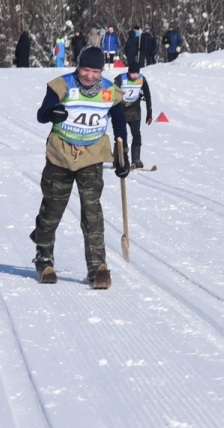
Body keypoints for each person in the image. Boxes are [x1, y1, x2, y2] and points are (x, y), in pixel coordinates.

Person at [31, 45, 131, 289]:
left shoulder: (110, 92)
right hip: (61, 155)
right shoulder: (62, 85)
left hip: (92, 154)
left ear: (101, 72)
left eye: (95, 72)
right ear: (78, 68)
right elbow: (42, 114)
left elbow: (119, 122)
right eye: (85, 70)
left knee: (92, 210)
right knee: (53, 209)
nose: (89, 76)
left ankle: (98, 268)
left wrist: (122, 155)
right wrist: (53, 113)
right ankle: (44, 258)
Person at [117, 59, 152, 166]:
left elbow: (148, 95)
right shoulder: (121, 79)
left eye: (136, 73)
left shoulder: (141, 79)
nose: (134, 75)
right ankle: (118, 158)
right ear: (128, 72)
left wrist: (149, 113)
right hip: (122, 108)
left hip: (134, 109)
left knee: (136, 134)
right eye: (132, 73)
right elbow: (113, 94)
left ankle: (136, 159)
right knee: (121, 135)